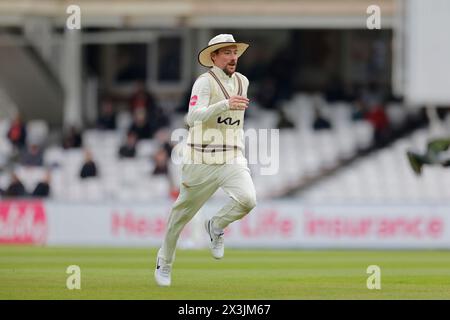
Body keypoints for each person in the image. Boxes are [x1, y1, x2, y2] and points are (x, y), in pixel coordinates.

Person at [154, 34, 257, 287]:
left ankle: (217, 225)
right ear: (214, 57)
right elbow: (192, 117)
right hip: (200, 159)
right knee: (180, 216)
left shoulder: (243, 81)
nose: (233, 57)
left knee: (248, 200)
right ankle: (164, 262)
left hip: (231, 156)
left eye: (235, 53)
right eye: (227, 53)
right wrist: (224, 105)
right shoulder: (204, 82)